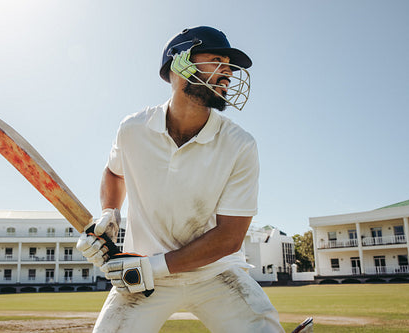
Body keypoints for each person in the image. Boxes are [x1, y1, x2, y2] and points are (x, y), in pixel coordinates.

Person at [77, 26, 286, 333]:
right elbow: (113, 171)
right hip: (144, 277)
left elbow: (229, 237)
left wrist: (153, 266)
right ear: (180, 63)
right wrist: (110, 212)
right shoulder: (133, 129)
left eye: (230, 67)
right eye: (217, 60)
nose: (227, 73)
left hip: (215, 273)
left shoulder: (239, 144)